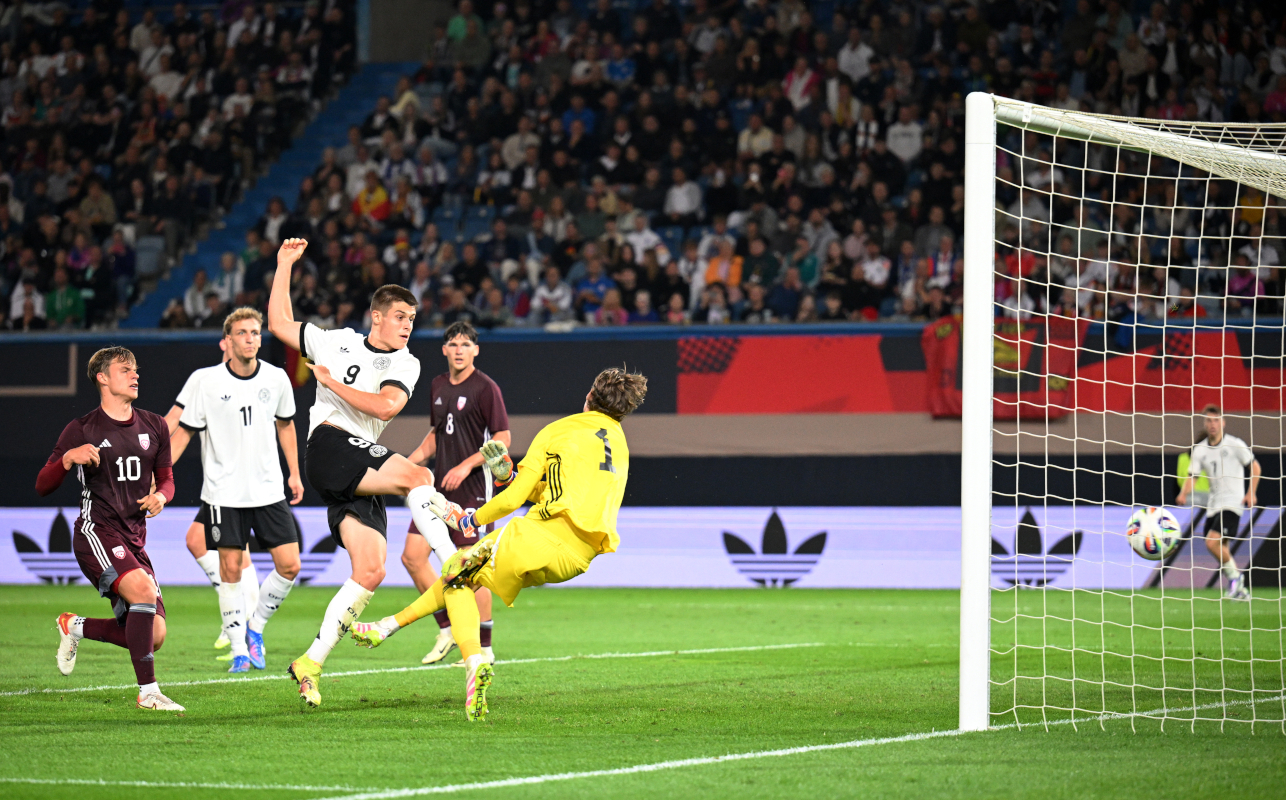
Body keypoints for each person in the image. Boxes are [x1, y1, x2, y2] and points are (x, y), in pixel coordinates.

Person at [352, 367, 648, 721]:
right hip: (577, 558)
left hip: (542, 536)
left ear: (589, 395)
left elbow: (514, 500)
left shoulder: (560, 430)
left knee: (457, 571)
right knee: (460, 573)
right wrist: (508, 473)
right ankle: (385, 627)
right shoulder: (619, 443)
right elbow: (550, 489)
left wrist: (469, 519)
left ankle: (471, 660)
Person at [267, 238, 447, 708]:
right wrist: (285, 264)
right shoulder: (338, 340)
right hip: (327, 445)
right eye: (401, 317)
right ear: (378, 316)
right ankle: (453, 556)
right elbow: (280, 324)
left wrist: (330, 382)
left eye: (413, 319)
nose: (409, 325)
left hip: (357, 460)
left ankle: (311, 661)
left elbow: (387, 404)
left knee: (371, 569)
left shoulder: (404, 363)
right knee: (419, 478)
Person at [38, 347, 183, 711]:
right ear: (103, 378)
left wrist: (162, 498)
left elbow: (166, 480)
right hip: (96, 531)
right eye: (125, 370)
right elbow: (43, 484)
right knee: (144, 592)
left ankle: (75, 626)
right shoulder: (82, 428)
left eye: (135, 370)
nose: (135, 375)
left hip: (134, 538)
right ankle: (148, 693)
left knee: (156, 634)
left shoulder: (154, 426)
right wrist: (68, 459)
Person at [167, 308, 304, 673]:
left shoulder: (276, 378)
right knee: (230, 571)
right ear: (228, 340)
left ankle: (255, 628)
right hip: (223, 494)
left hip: (268, 490)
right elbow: (183, 432)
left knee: (290, 565)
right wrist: (161, 480)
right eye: (242, 333)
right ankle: (240, 650)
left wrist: (294, 472)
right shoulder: (206, 381)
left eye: (255, 332)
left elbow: (286, 426)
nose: (250, 338)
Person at [401, 321, 511, 665]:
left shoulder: (485, 388)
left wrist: (466, 465)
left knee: (471, 570)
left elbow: (503, 439)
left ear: (475, 350)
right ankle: (447, 628)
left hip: (474, 492)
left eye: (466, 344)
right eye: (453, 343)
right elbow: (436, 434)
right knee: (412, 557)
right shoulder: (436, 385)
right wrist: (407, 463)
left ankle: (486, 648)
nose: (459, 349)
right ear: (444, 349)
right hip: (437, 493)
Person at [1176, 404, 1261, 601]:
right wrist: (1183, 494)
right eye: (1209, 420)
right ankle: (1238, 590)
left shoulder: (1234, 444)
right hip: (1213, 505)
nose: (1212, 424)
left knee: (1211, 542)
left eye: (1216, 420)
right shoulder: (1200, 450)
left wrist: (1251, 493)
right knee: (1221, 546)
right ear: (1205, 424)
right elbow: (1193, 476)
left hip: (1232, 502)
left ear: (1223, 422)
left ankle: (1236, 578)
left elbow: (1255, 467)